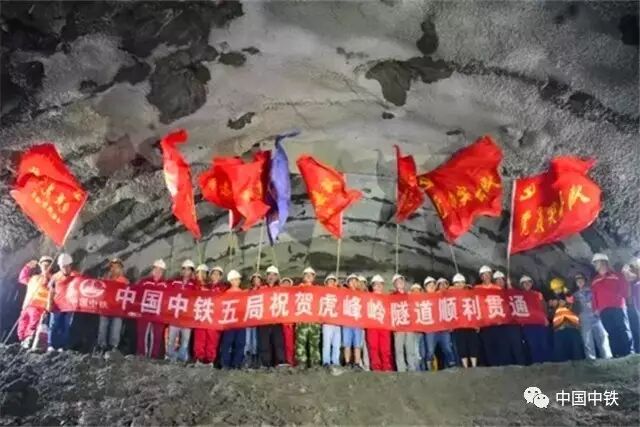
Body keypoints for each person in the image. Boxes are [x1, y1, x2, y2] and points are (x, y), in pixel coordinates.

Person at [591, 253, 632, 357]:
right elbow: (594, 296)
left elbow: (625, 290)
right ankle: (617, 355)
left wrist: (621, 299)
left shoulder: (617, 275)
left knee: (622, 329)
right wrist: (595, 309)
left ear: (603, 262)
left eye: (596, 262)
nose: (594, 264)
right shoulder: (595, 280)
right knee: (611, 331)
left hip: (618, 306)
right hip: (603, 310)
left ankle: (629, 353)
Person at [573, 272, 612, 360]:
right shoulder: (574, 295)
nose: (579, 282)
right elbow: (574, 309)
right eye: (577, 280)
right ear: (576, 283)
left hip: (596, 316)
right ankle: (591, 360)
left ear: (584, 280)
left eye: (581, 279)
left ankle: (607, 358)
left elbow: (599, 299)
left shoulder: (592, 290)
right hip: (583, 318)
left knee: (602, 336)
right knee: (587, 339)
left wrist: (598, 310)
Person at [17, 256, 53, 348]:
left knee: (33, 324)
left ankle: (29, 339)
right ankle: (23, 340)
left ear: (50, 266)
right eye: (43, 265)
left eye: (47, 265)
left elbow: (48, 284)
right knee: (22, 324)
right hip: (27, 306)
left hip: (38, 307)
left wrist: (46, 275)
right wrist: (28, 267)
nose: (45, 266)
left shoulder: (51, 279)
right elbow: (22, 278)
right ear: (40, 265)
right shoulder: (34, 278)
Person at [135, 260, 168, 359]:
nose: (158, 272)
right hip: (144, 312)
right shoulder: (145, 282)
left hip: (158, 314)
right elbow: (136, 294)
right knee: (142, 334)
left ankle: (154, 356)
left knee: (157, 336)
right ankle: (142, 354)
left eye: (160, 270)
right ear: (152, 270)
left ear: (163, 272)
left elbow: (168, 299)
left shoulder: (166, 284)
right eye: (156, 269)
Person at [492, 270, 526, 365]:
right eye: (497, 280)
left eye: (501, 280)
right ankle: (507, 366)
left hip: (513, 323)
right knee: (504, 346)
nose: (500, 282)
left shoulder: (511, 292)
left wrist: (510, 288)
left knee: (517, 345)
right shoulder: (492, 294)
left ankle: (521, 364)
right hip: (500, 324)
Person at [47, 253, 79, 352]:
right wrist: (49, 303)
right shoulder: (55, 277)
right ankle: (51, 345)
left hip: (69, 305)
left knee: (66, 325)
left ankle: (62, 346)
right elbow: (51, 291)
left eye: (67, 266)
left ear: (70, 265)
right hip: (57, 305)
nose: (65, 268)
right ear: (60, 266)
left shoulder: (76, 276)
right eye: (63, 266)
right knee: (54, 325)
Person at [422, 276, 456, 370]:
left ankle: (452, 367)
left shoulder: (441, 297)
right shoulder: (422, 299)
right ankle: (430, 369)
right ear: (425, 287)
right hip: (430, 329)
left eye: (433, 285)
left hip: (443, 328)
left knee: (447, 348)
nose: (432, 287)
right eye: (429, 285)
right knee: (430, 350)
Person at [475, 265, 506, 366]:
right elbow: (475, 304)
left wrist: (502, 318)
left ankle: (501, 364)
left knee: (500, 344)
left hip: (497, 320)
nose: (487, 276)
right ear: (481, 277)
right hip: (484, 322)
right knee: (488, 345)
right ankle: (492, 365)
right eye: (484, 275)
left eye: (488, 274)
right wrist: (476, 322)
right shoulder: (477, 288)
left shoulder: (497, 288)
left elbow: (503, 303)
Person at [166, 260, 196, 362]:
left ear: (191, 272)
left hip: (187, 317)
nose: (186, 271)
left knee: (185, 340)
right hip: (175, 315)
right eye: (184, 269)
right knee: (171, 339)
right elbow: (165, 292)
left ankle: (182, 358)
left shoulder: (194, 285)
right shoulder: (175, 282)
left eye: (189, 269)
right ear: (181, 270)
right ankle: (171, 357)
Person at [97, 258, 129, 352]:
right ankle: (101, 347)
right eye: (112, 266)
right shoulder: (105, 279)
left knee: (115, 329)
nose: (114, 269)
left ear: (121, 269)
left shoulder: (125, 281)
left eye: (117, 267)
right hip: (105, 308)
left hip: (117, 310)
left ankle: (113, 348)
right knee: (102, 328)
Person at [518, 275, 552, 364]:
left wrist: (545, 318)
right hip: (528, 324)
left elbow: (544, 307)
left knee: (543, 343)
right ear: (521, 285)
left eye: (529, 282)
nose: (527, 284)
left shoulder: (538, 294)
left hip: (540, 322)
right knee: (533, 345)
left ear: (532, 283)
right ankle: (536, 365)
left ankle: (547, 364)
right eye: (524, 283)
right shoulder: (519, 296)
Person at [257, 265, 286, 367]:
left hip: (277, 320)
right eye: (269, 274)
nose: (271, 277)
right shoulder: (261, 288)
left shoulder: (280, 289)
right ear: (266, 276)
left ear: (277, 277)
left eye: (274, 275)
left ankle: (280, 361)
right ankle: (266, 363)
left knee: (278, 342)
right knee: (264, 343)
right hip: (264, 320)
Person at [549, 277, 583, 362]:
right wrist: (553, 307)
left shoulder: (571, 297)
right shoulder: (552, 301)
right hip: (559, 329)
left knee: (576, 353)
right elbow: (550, 316)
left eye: (558, 288)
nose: (556, 291)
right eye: (555, 289)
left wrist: (567, 304)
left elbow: (578, 309)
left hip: (572, 327)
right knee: (561, 354)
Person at [391, 274, 419, 371]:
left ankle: (412, 368)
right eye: (397, 281)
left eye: (401, 281)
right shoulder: (392, 296)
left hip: (409, 325)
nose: (400, 283)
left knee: (410, 348)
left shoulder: (409, 295)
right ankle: (401, 369)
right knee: (399, 349)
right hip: (399, 326)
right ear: (394, 284)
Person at [365, 275, 393, 371]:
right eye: (376, 284)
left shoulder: (387, 298)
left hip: (384, 326)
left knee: (385, 348)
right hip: (372, 326)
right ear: (373, 286)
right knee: (373, 347)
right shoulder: (367, 297)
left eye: (380, 284)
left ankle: (386, 366)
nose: (378, 286)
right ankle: (376, 367)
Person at [219, 270, 246, 369]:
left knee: (240, 343)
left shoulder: (243, 293)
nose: (238, 281)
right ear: (231, 281)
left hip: (240, 322)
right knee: (227, 342)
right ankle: (225, 363)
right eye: (236, 279)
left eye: (238, 279)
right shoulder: (226, 293)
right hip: (230, 322)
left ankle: (236, 363)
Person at [295, 267, 322, 368]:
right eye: (306, 274)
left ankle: (315, 362)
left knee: (314, 342)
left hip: (314, 321)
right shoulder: (297, 289)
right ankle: (301, 362)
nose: (309, 276)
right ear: (303, 277)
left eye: (311, 275)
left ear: (314, 277)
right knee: (300, 342)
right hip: (302, 320)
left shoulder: (318, 290)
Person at [451, 273, 479, 368]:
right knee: (461, 346)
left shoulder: (470, 294)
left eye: (461, 283)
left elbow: (476, 308)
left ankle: (474, 366)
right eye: (457, 283)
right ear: (454, 284)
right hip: (458, 325)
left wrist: (477, 323)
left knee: (473, 345)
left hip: (470, 324)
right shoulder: (451, 296)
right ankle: (465, 366)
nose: (460, 285)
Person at [342, 274, 364, 368]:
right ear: (348, 283)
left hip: (357, 323)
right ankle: (347, 363)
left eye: (355, 281)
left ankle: (357, 363)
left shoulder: (362, 294)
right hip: (347, 323)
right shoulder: (344, 293)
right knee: (347, 344)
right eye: (351, 281)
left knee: (357, 345)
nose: (353, 283)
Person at [321, 274, 341, 367]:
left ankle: (335, 361)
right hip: (327, 322)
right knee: (327, 344)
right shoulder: (322, 293)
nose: (331, 283)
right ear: (326, 283)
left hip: (337, 323)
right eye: (329, 281)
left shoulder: (339, 293)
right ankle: (326, 361)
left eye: (333, 281)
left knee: (336, 344)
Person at [244, 273, 262, 367]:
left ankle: (255, 357)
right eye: (254, 279)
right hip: (248, 317)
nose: (256, 281)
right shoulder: (247, 291)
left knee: (255, 339)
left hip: (258, 318)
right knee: (247, 339)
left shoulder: (263, 291)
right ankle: (247, 357)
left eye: (258, 279)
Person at [623, 260, 640, 353]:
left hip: (635, 307)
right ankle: (637, 350)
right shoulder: (630, 283)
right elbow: (628, 295)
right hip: (630, 307)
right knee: (634, 329)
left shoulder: (636, 284)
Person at [279, 277, 296, 366]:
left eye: (288, 283)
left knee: (289, 343)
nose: (286, 284)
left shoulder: (293, 296)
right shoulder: (276, 295)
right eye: (284, 283)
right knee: (279, 343)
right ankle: (281, 360)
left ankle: (290, 360)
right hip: (278, 323)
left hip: (289, 323)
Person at [357, 274, 371, 371]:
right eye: (360, 283)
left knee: (366, 346)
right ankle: (359, 363)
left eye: (363, 283)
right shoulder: (353, 294)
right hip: (357, 324)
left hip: (367, 325)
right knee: (358, 345)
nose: (362, 285)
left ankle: (367, 365)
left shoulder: (370, 295)